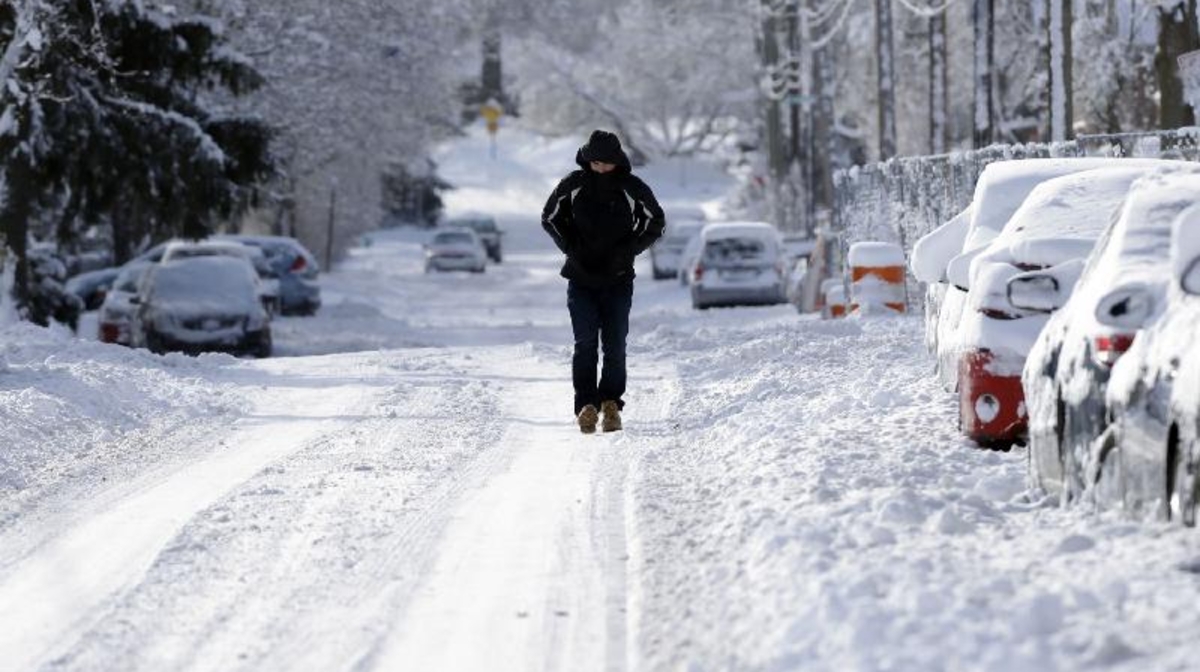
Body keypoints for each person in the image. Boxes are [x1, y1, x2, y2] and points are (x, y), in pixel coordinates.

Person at [541, 130, 665, 434]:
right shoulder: (573, 184)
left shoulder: (631, 187)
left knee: (614, 345)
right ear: (587, 159)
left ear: (617, 161)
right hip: (580, 279)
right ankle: (586, 405)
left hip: (618, 280)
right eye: (595, 162)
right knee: (585, 344)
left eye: (606, 163)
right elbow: (549, 217)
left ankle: (611, 404)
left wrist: (628, 251)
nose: (600, 168)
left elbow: (655, 222)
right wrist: (570, 248)